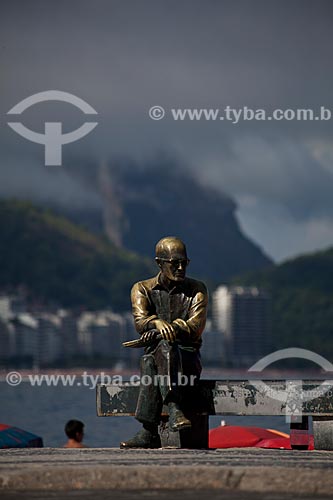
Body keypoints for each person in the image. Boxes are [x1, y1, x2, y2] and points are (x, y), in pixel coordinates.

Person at [120, 236, 208, 449]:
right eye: (174, 263)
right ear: (159, 263)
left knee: (160, 352)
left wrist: (174, 327)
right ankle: (172, 410)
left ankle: (149, 430)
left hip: (187, 361)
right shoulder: (142, 289)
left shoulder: (197, 289)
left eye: (184, 263)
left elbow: (195, 327)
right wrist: (156, 324)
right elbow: (140, 323)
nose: (180, 268)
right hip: (158, 360)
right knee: (152, 360)